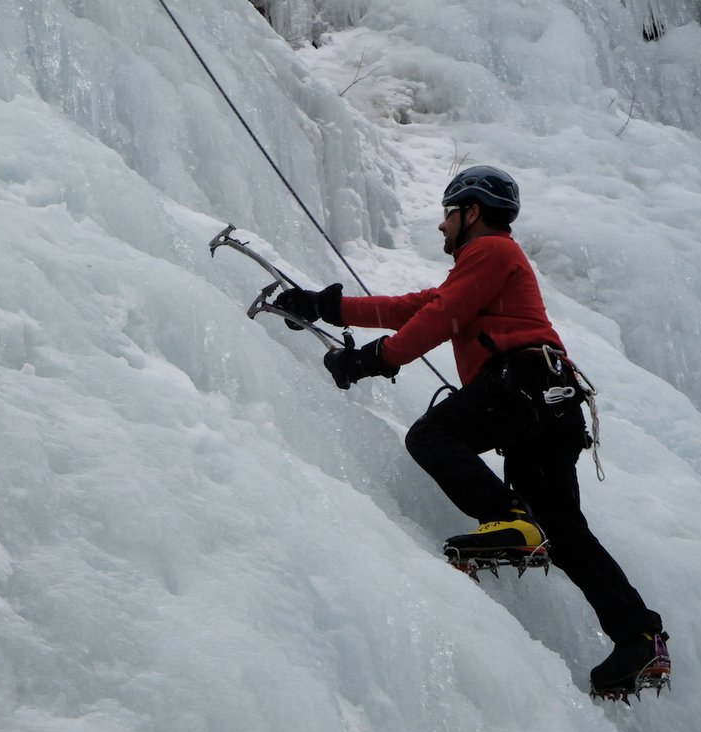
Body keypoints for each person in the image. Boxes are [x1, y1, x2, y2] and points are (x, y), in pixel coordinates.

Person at [276, 165, 668, 696]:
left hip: (523, 386)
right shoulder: (487, 266)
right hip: (551, 405)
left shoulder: (492, 252)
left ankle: (506, 518)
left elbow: (439, 317)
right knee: (565, 532)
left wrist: (373, 360)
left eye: (448, 215)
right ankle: (638, 636)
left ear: (472, 212)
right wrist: (328, 306)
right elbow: (421, 307)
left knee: (430, 437)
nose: (442, 227)